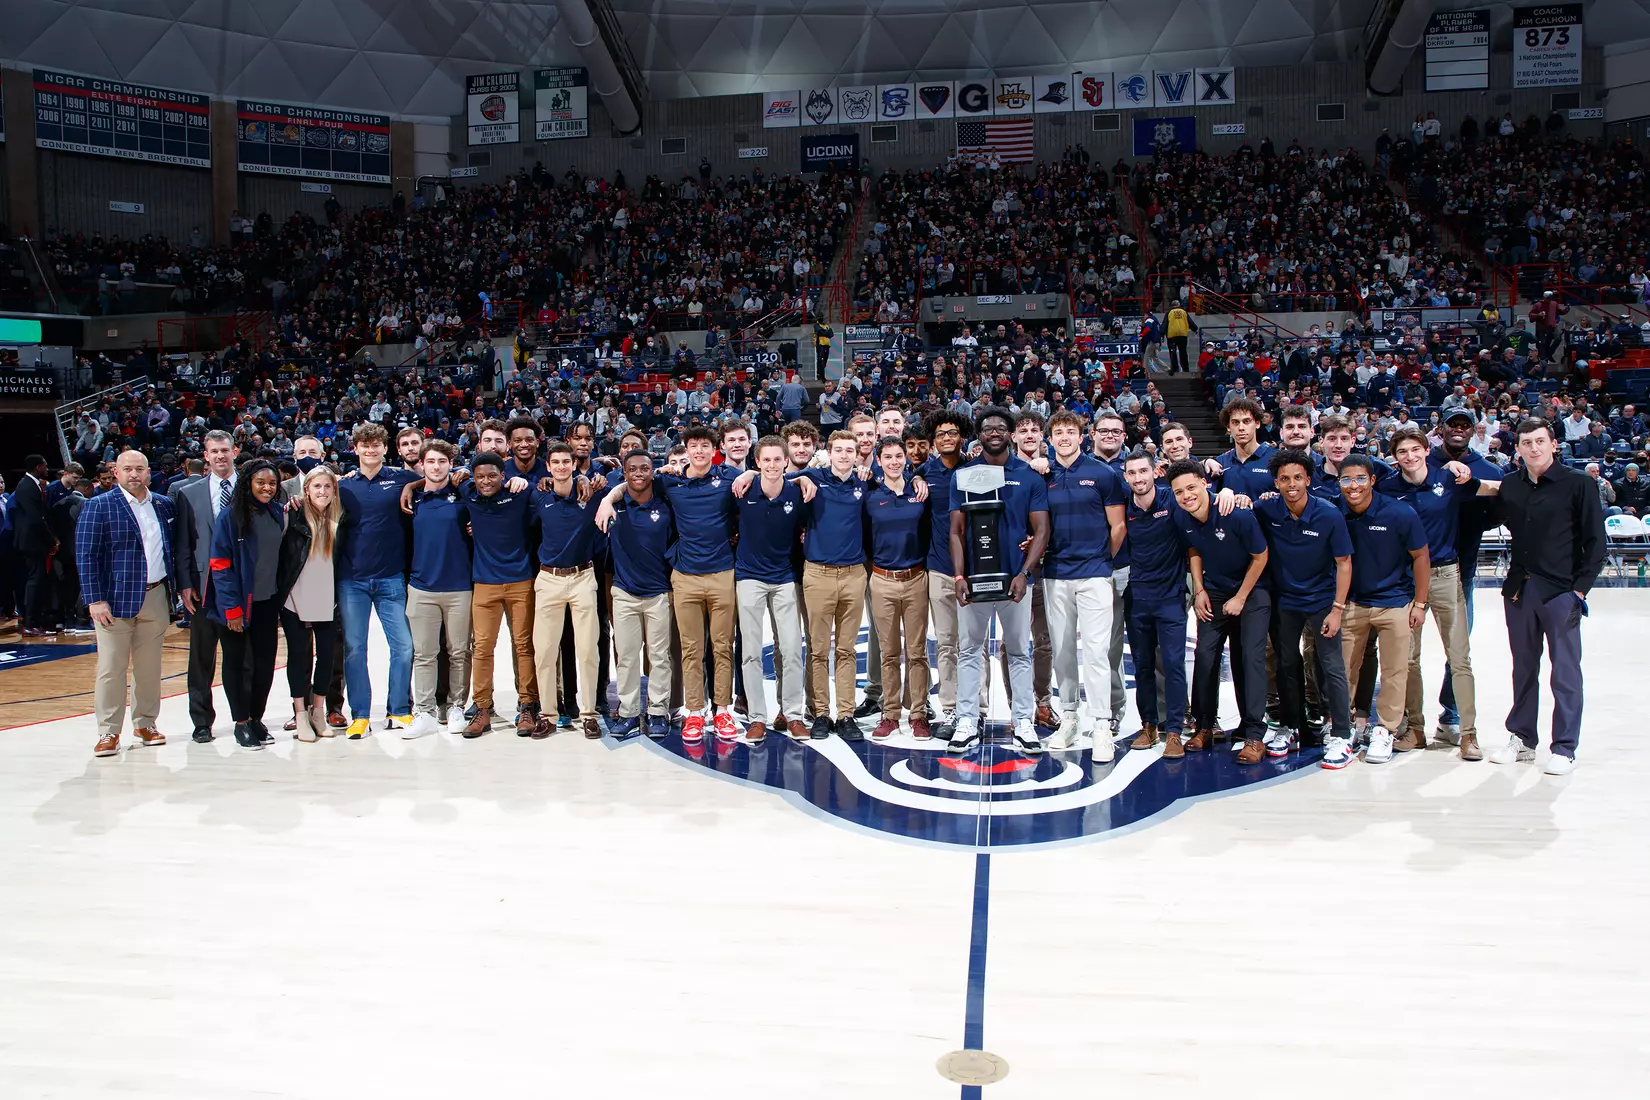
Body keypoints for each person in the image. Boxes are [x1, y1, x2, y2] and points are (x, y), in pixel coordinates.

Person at [1488, 419, 1607, 775]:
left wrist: (1579, 591)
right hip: (1519, 590)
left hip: (1560, 591)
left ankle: (1565, 747)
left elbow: (1596, 543)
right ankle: (1522, 739)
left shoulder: (1579, 484)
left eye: (1540, 441)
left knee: (1565, 672)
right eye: (1527, 442)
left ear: (1553, 444)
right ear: (1518, 448)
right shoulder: (1510, 485)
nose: (1534, 448)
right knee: (1523, 669)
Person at [1381, 424, 1500, 760]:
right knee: (1408, 658)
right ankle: (1414, 729)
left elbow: (1495, 490)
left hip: (1446, 574)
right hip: (1405, 579)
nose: (1409, 456)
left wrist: (1465, 470)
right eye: (1402, 452)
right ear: (1395, 457)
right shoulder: (1388, 488)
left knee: (1459, 656)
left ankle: (1468, 734)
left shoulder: (1449, 479)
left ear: (1425, 449)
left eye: (1414, 449)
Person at [948, 407, 1050, 755]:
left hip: (1015, 582)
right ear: (979, 435)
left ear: (1011, 433)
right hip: (974, 582)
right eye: (987, 427)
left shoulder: (1029, 477)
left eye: (1000, 427)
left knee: (1021, 651)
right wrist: (960, 575)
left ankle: (1023, 721)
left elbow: (1041, 529)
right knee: (969, 651)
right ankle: (966, 719)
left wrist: (1025, 572)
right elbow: (957, 530)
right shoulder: (963, 476)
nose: (994, 432)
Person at [1253, 449, 1356, 769]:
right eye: (1284, 478)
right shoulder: (1267, 509)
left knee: (1331, 664)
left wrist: (1338, 609)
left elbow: (1344, 563)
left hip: (1323, 601)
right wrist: (1235, 497)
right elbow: (1242, 512)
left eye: (1298, 477)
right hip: (1287, 601)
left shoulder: (1328, 514)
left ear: (1309, 479)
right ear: (1276, 482)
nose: (1291, 484)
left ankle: (1342, 733)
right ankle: (1291, 726)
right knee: (1286, 664)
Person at [76, 449, 178, 758]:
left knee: (149, 668)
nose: (134, 474)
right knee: (111, 668)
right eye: (127, 469)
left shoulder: (164, 505)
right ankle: (108, 730)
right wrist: (94, 599)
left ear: (148, 472)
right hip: (113, 601)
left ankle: (145, 723)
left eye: (139, 469)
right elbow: (86, 555)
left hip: (156, 595)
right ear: (115, 473)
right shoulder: (98, 506)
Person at [1170, 460, 1270, 760]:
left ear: (1205, 483)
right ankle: (1204, 726)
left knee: (1249, 657)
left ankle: (1253, 733)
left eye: (1191, 487)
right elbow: (1193, 550)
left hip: (1252, 590)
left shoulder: (1234, 513)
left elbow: (1261, 556)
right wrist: (1199, 590)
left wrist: (1240, 597)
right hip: (1214, 590)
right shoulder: (1183, 516)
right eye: (1179, 492)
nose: (1186, 495)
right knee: (1204, 655)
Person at [1041, 410, 1126, 755]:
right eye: (1058, 432)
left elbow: (1118, 527)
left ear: (1082, 436)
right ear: (1051, 439)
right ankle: (1070, 718)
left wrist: (1101, 560)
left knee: (1096, 652)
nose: (1064, 437)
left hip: (1094, 574)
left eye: (1070, 431)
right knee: (1061, 651)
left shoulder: (1103, 474)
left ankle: (1102, 724)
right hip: (1055, 575)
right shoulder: (1042, 475)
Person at [1335, 454, 1430, 765]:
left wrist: (1419, 602)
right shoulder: (1333, 511)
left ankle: (1385, 730)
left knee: (1394, 671)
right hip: (1353, 604)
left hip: (1395, 603)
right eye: (1346, 479)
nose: (1353, 486)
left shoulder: (1400, 513)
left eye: (1360, 478)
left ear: (1372, 480)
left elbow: (1420, 557)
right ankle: (1343, 726)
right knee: (1343, 669)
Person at [336, 423, 421, 738]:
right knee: (355, 649)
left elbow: (439, 478)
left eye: (376, 445)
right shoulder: (343, 485)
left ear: (386, 448)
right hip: (351, 580)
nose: (370, 450)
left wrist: (416, 486)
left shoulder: (402, 478)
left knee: (403, 647)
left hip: (391, 578)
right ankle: (359, 714)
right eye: (364, 445)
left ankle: (398, 709)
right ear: (355, 449)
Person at [206, 459, 287, 750]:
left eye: (272, 483)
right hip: (237, 605)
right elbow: (220, 564)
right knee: (237, 665)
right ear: (248, 484)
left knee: (265, 666)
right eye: (261, 482)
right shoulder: (230, 517)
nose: (267, 488)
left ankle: (256, 717)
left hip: (267, 603)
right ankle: (240, 722)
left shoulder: (277, 512)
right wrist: (231, 609)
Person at [731, 437, 808, 742]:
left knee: (790, 648)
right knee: (750, 652)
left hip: (784, 576)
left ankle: (792, 714)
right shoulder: (742, 489)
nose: (773, 465)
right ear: (757, 462)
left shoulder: (798, 491)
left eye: (779, 460)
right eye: (767, 460)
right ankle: (757, 718)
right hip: (749, 575)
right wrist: (746, 475)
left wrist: (802, 478)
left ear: (786, 462)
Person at [461, 450, 539, 737]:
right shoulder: (467, 492)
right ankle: (482, 708)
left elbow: (543, 484)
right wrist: (410, 485)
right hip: (484, 583)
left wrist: (524, 482)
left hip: (520, 581)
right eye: (480, 477)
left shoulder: (519, 493)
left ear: (503, 475)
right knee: (482, 647)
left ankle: (528, 705)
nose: (486, 481)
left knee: (523, 645)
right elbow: (442, 476)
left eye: (492, 475)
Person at [600, 450, 676, 740]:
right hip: (624, 592)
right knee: (627, 656)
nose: (639, 473)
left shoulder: (665, 505)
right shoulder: (615, 506)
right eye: (633, 469)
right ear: (625, 472)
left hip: (658, 592)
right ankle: (629, 712)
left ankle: (657, 711)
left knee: (659, 656)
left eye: (645, 468)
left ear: (653, 472)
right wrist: (607, 498)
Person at [530, 443, 603, 739]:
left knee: (587, 650)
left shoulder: (591, 493)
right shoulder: (539, 496)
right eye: (555, 462)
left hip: (583, 576)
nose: (561, 466)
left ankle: (588, 714)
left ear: (574, 465)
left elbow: (623, 481)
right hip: (548, 579)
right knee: (545, 651)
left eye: (566, 462)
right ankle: (548, 714)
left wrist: (589, 479)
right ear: (547, 467)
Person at [171, 430, 239, 743]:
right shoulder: (188, 493)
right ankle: (201, 721)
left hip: (241, 587)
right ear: (206, 455)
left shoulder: (252, 487)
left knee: (242, 658)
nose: (220, 456)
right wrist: (184, 584)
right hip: (202, 587)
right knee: (200, 659)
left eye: (225, 450)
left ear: (235, 452)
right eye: (214, 451)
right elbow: (182, 544)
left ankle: (244, 717)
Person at [1119, 450, 1188, 754]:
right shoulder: (1123, 509)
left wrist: (1227, 492)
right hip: (1138, 598)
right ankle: (1149, 725)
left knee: (1173, 665)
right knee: (1143, 666)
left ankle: (1174, 730)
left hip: (1171, 597)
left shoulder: (1171, 500)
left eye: (1143, 472)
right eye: (1132, 473)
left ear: (1154, 472)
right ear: (1126, 477)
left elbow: (1201, 497)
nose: (1138, 478)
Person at [404, 440, 473, 738]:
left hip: (459, 587)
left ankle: (456, 706)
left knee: (459, 651)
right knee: (424, 654)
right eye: (430, 461)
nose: (436, 467)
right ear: (421, 464)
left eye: (442, 462)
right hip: (421, 588)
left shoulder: (463, 496)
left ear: (451, 464)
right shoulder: (411, 499)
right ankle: (425, 711)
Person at [863, 436, 931, 740]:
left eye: (898, 456)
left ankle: (918, 713)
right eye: (887, 456)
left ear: (906, 458)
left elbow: (929, 531)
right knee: (888, 652)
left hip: (916, 578)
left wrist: (917, 477)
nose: (893, 461)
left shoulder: (919, 493)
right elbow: (864, 539)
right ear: (878, 461)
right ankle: (890, 713)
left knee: (917, 652)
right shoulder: (870, 496)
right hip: (881, 580)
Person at [276, 463, 341, 743]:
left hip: (328, 598)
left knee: (327, 658)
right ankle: (300, 713)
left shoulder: (341, 519)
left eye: (328, 486)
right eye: (317, 486)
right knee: (300, 658)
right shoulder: (292, 516)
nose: (322, 491)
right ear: (306, 490)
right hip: (296, 597)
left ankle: (318, 711)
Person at [919, 411, 970, 738]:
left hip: (975, 571)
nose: (947, 438)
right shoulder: (925, 472)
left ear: (961, 436)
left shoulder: (978, 470)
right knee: (948, 643)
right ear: (934, 441)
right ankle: (951, 710)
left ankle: (976, 709)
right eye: (941, 435)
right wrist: (915, 478)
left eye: (952, 433)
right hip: (939, 568)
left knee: (974, 644)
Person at [13, 454, 56, 636]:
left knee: (37, 582)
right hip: (31, 542)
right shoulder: (27, 486)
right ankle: (30, 624)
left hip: (33, 541)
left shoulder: (30, 485)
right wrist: (50, 540)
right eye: (45, 466)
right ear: (38, 467)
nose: (47, 469)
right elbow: (36, 519)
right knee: (34, 582)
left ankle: (34, 622)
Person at [1165, 303, 1196, 373]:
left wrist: (1161, 334)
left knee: (1172, 352)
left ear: (1172, 306)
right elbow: (1190, 322)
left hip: (1172, 335)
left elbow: (1165, 323)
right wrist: (1195, 329)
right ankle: (1185, 369)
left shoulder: (1169, 313)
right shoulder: (1184, 312)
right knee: (1183, 352)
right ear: (1179, 305)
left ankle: (1174, 368)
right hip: (1182, 335)